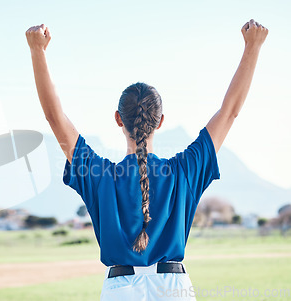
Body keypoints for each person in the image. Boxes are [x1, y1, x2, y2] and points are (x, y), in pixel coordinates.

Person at [26, 19, 268, 300]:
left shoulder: (100, 174)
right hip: (173, 289)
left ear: (118, 119)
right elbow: (229, 113)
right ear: (161, 121)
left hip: (120, 290)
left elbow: (55, 118)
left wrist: (37, 51)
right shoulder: (183, 171)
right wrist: (253, 46)